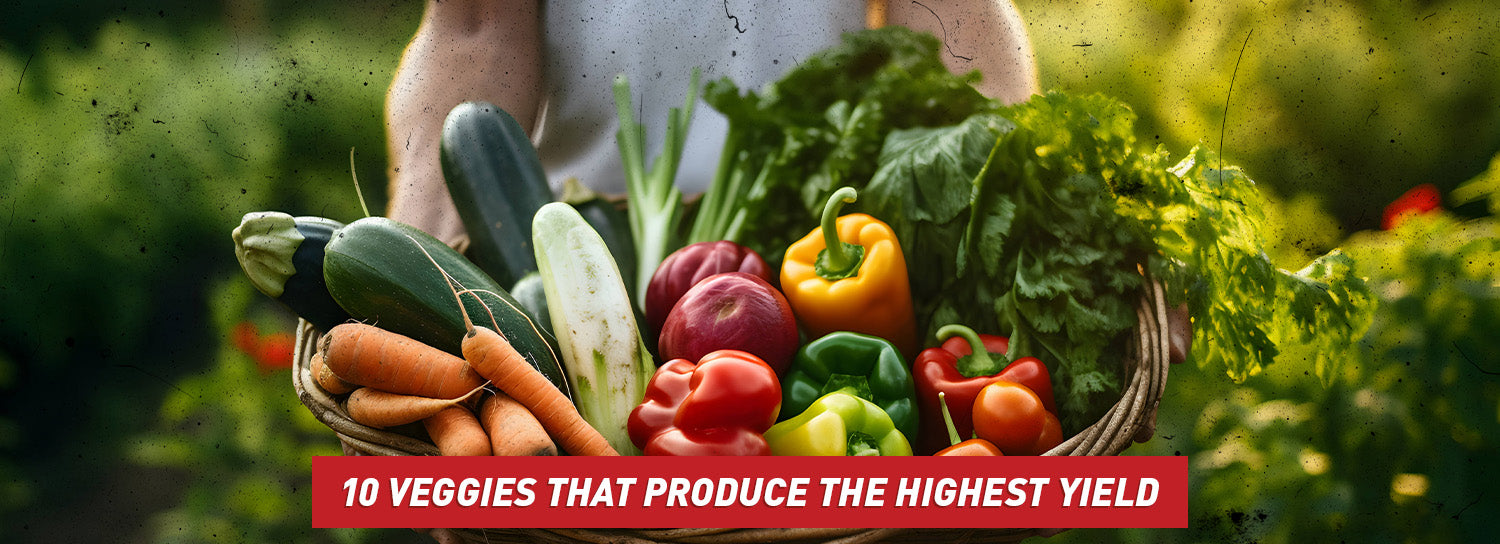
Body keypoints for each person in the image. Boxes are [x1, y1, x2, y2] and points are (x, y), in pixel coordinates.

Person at [384, 0, 1039, 249]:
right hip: (569, 264)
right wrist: (417, 271)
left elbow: (957, 26)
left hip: (821, 252)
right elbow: (476, 30)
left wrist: (995, 235)